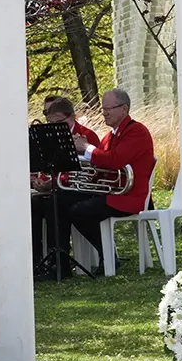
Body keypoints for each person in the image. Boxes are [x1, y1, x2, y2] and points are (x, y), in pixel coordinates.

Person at [69, 88, 156, 275]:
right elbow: (101, 165)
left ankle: (108, 257)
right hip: (113, 193)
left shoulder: (137, 131)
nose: (104, 112)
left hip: (129, 197)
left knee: (80, 211)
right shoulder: (110, 136)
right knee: (67, 201)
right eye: (103, 108)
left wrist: (86, 148)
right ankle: (75, 260)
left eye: (109, 108)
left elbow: (115, 160)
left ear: (124, 109)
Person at [30, 96, 102, 277]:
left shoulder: (86, 135)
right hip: (62, 187)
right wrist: (43, 182)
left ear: (72, 117)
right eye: (51, 122)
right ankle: (37, 260)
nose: (55, 126)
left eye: (60, 122)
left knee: (55, 202)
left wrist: (56, 184)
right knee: (34, 205)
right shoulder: (51, 136)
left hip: (84, 190)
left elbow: (92, 170)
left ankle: (60, 261)